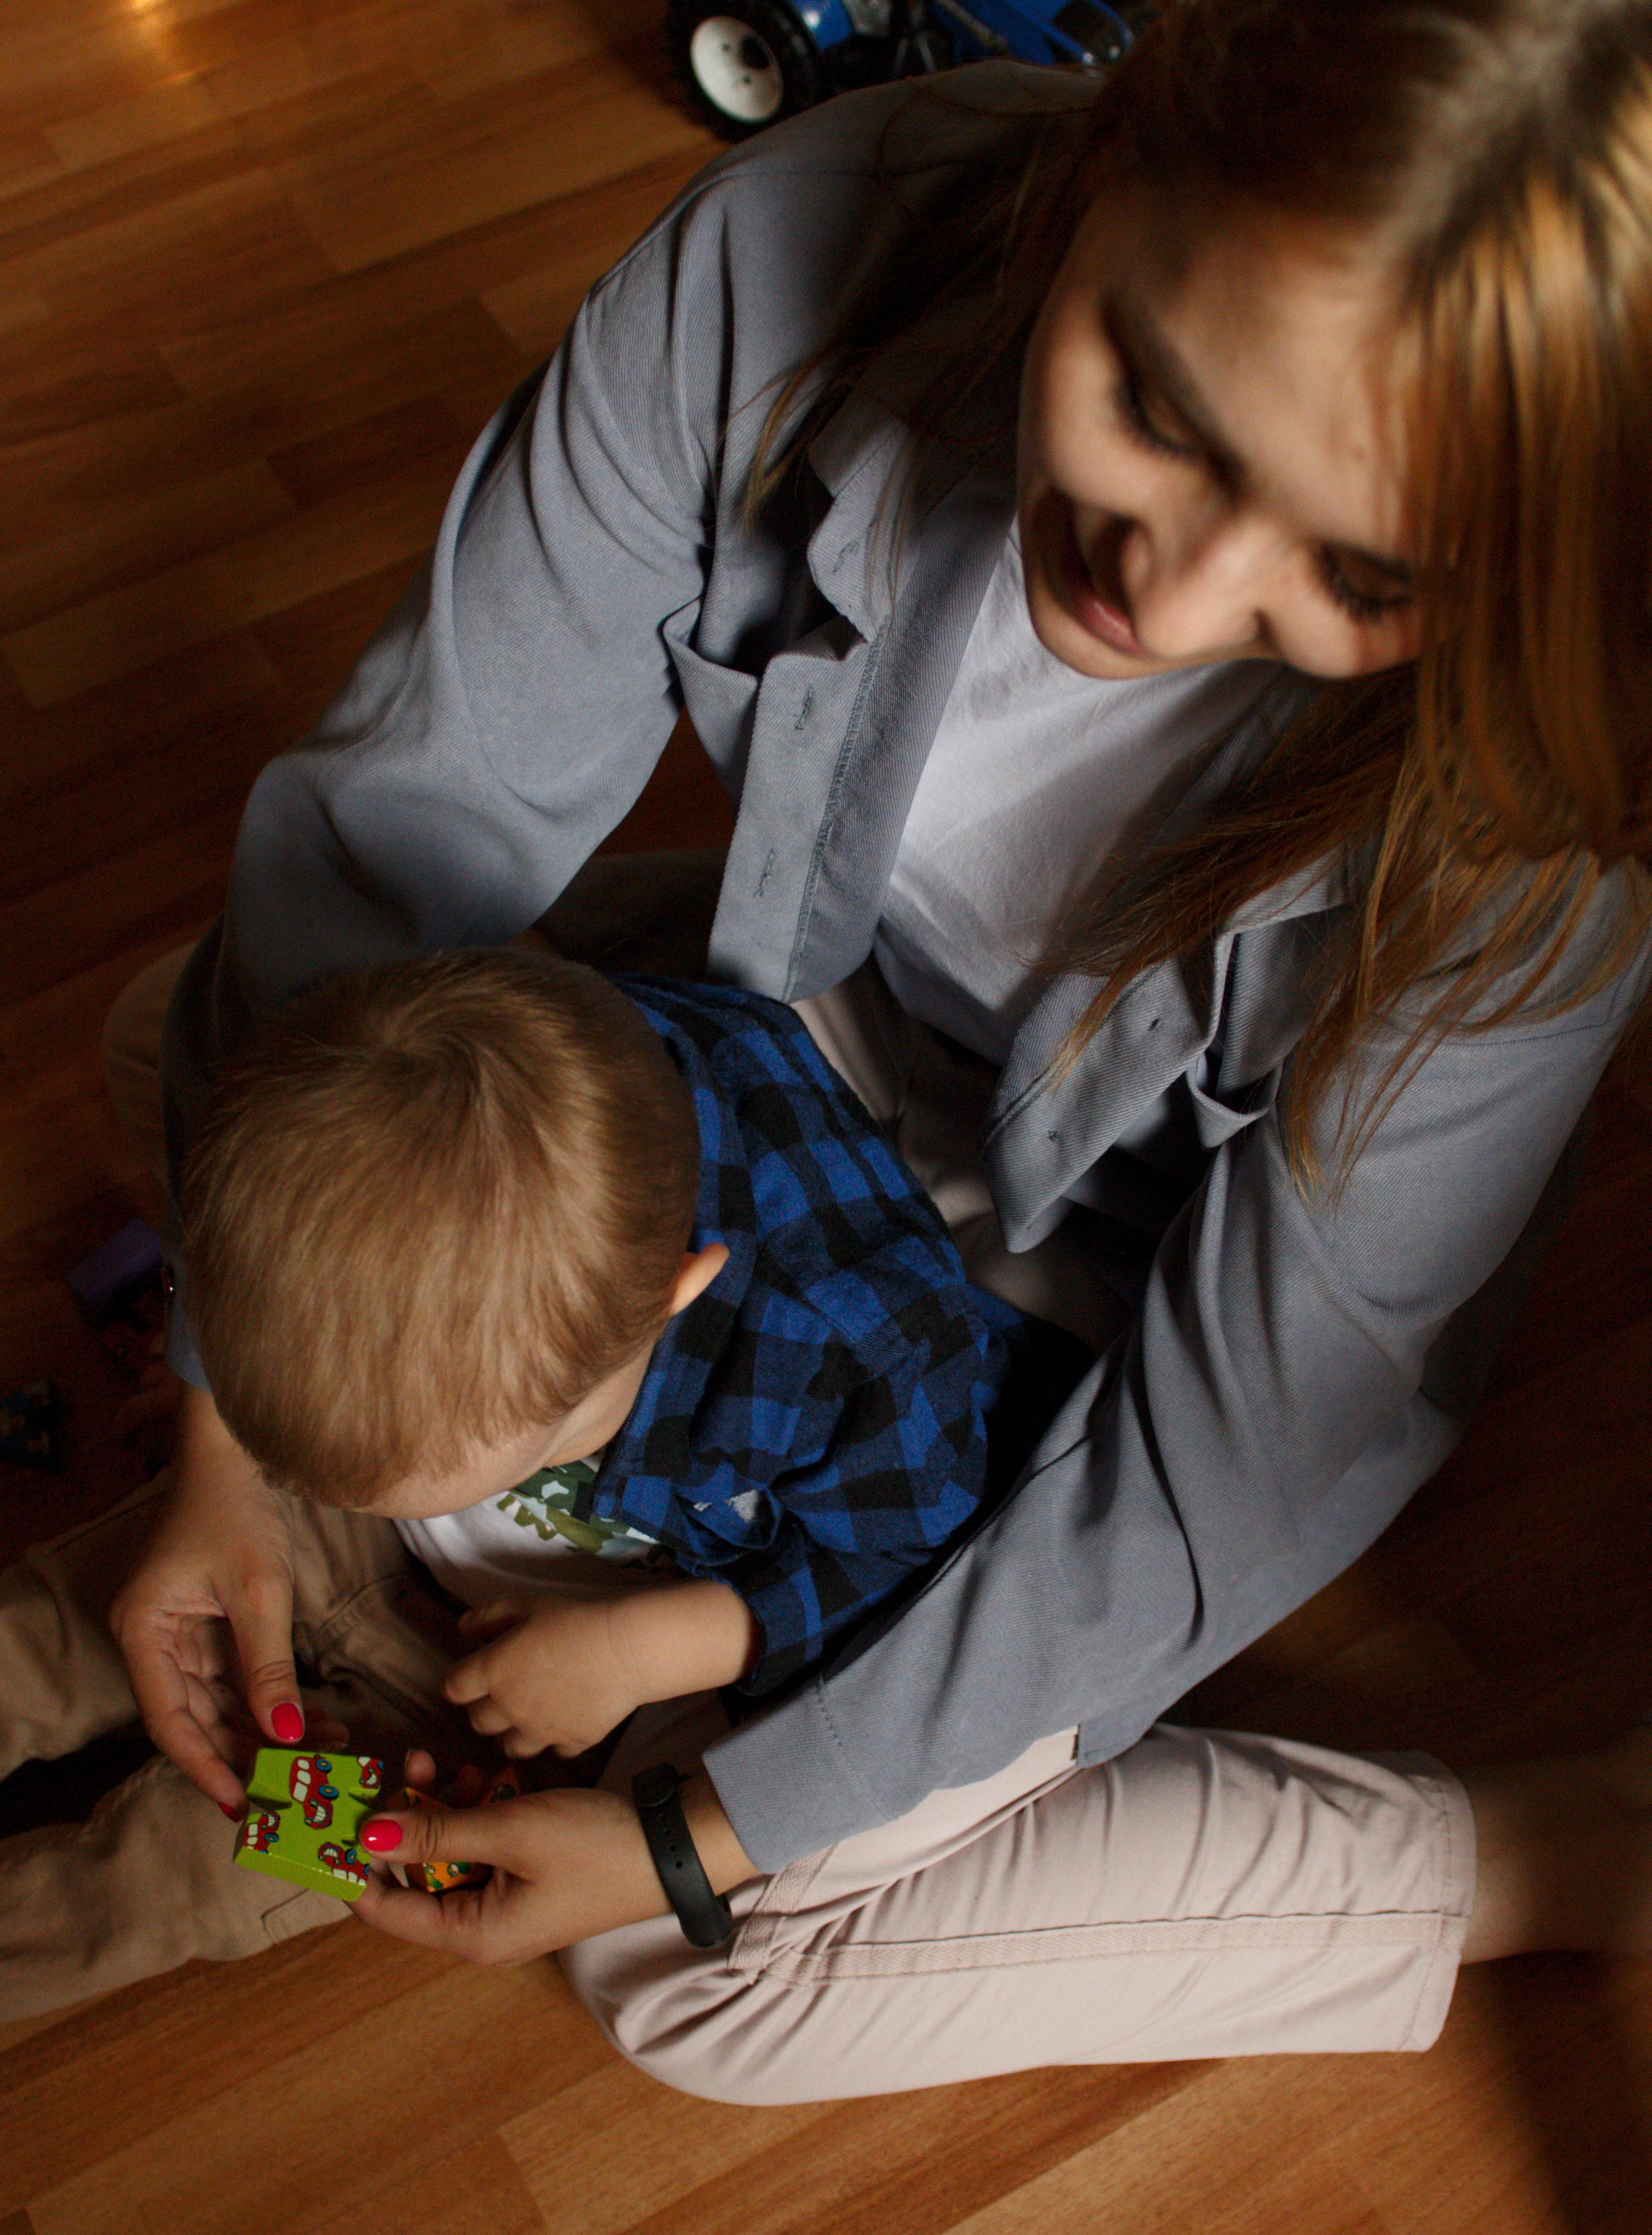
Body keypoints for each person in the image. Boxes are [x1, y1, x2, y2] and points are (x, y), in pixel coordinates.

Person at [101, 0, 1652, 2088]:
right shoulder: (793, 245)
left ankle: (1563, 1853)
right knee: (176, 1050)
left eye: (1364, 573)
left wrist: (694, 1829)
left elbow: (1222, 1454)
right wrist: (225, 1411)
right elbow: (407, 821)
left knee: (704, 1989)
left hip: (1120, 1279)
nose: (1173, 594)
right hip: (777, 1030)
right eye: (1161, 405)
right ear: (1114, 151)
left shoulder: (1544, 815)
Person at [0, 943, 1085, 2021]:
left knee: (167, 1883)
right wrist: (225, 1450)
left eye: (438, 1471)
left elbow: (918, 1575)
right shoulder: (475, 1069)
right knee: (46, 1635)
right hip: (339, 1525)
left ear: (673, 1294)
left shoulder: (852, 1360)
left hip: (526, 1713)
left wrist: (639, 1653)